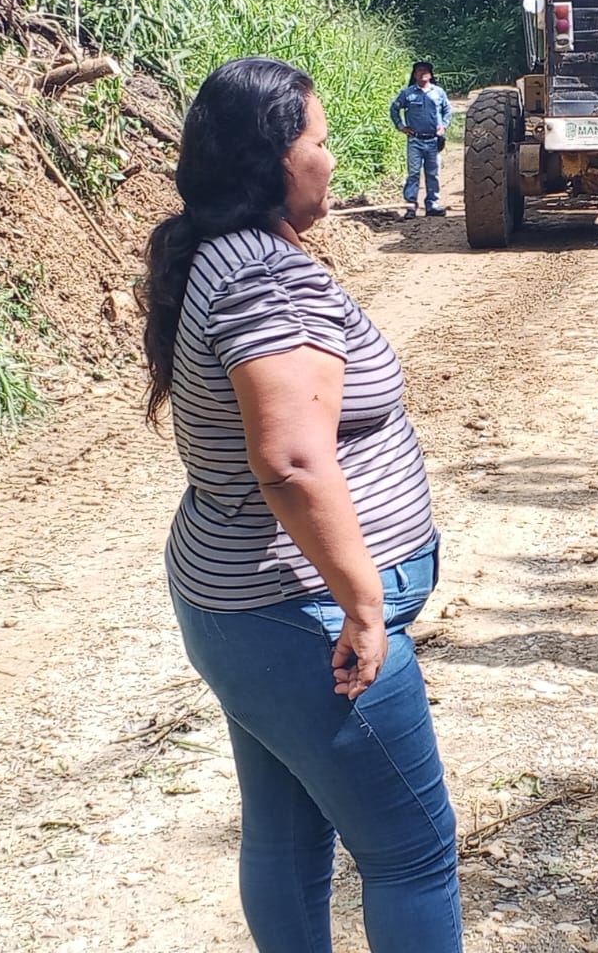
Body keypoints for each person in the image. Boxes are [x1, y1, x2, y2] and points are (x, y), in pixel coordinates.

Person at [141, 57, 461, 953]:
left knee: (286, 832)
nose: (330, 158)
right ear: (276, 158)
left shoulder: (223, 253)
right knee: (412, 851)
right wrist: (364, 604)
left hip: (251, 610)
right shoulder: (268, 280)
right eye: (319, 141)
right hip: (302, 614)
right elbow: (289, 461)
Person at [389, 61, 452, 218]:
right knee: (414, 173)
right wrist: (401, 127)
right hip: (415, 140)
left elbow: (447, 110)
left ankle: (432, 205)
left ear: (430, 74)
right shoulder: (407, 93)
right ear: (415, 74)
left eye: (425, 70)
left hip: (433, 141)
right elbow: (394, 109)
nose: (422, 73)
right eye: (419, 70)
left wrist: (444, 126)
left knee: (433, 174)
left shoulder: (438, 92)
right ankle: (410, 206)